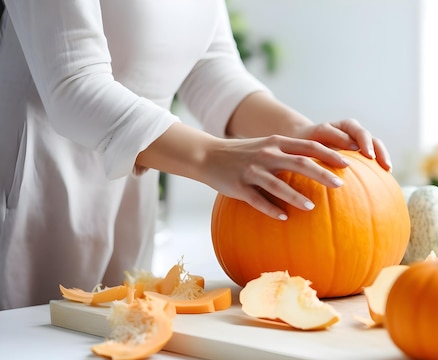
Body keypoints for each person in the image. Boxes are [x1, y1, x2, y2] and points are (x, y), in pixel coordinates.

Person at [0, 1, 392, 310]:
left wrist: (299, 134)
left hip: (128, 195)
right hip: (34, 181)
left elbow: (209, 68)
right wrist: (211, 157)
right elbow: (74, 85)